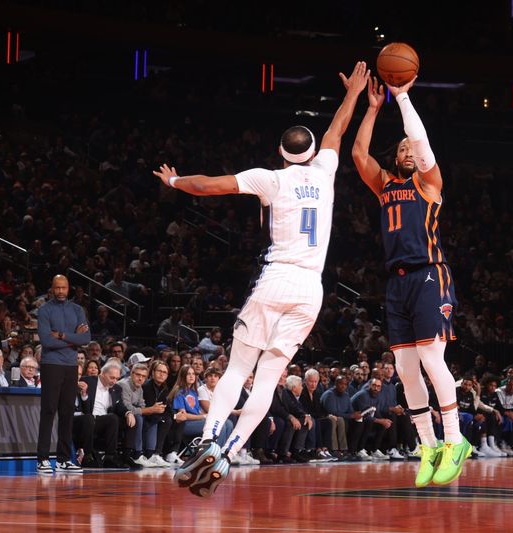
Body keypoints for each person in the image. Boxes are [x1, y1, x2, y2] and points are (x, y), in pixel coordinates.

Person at [154, 61, 369, 497]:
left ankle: (209, 440)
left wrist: (174, 180)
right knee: (269, 378)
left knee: (237, 368)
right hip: (312, 289)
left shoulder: (271, 179)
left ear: (281, 151)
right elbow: (337, 132)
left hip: (277, 279)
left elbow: (209, 186)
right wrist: (353, 94)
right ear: (311, 151)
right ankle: (230, 451)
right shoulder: (326, 171)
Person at [352, 74, 469, 487]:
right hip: (396, 283)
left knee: (431, 359)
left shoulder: (428, 183)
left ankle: (455, 441)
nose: (406, 150)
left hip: (429, 276)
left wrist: (401, 98)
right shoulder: (384, 185)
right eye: (399, 147)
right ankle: (428, 446)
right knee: (404, 368)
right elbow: (358, 152)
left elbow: (420, 142)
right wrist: (370, 107)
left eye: (409, 148)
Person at [36, 275, 91, 474]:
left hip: (70, 365)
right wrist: (73, 339)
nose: (60, 291)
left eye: (64, 288)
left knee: (67, 412)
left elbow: (86, 338)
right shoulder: (44, 310)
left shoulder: (77, 310)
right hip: (51, 364)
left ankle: (63, 459)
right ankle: (42, 459)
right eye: (57, 288)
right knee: (49, 410)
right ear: (52, 289)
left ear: (69, 289)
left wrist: (61, 335)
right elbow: (46, 341)